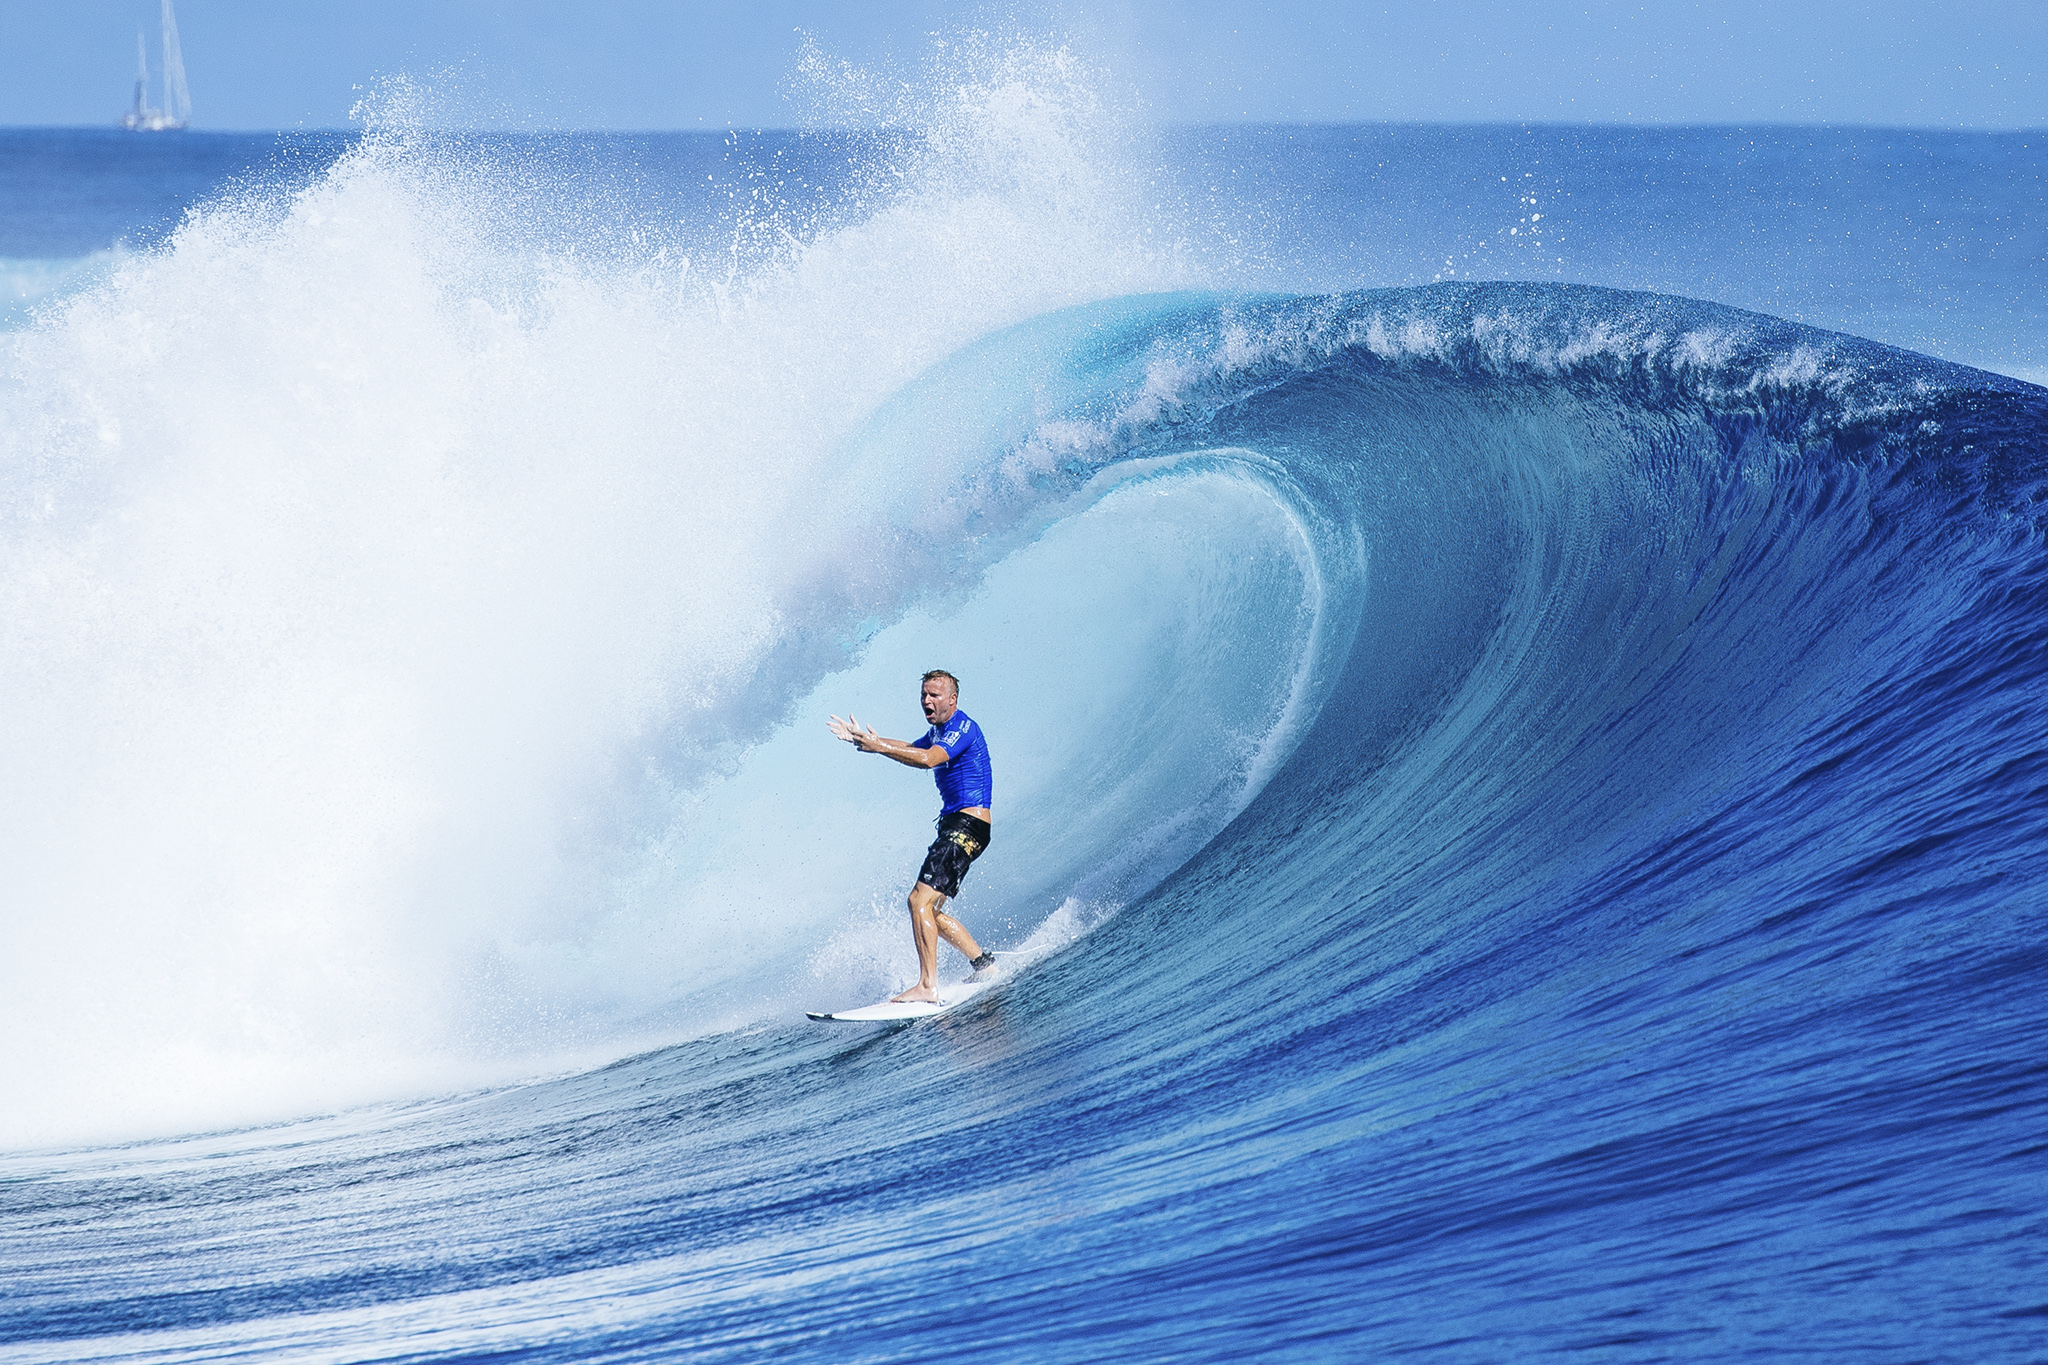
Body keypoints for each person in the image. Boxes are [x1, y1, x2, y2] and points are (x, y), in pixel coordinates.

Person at [828, 669, 997, 1004]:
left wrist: (878, 747)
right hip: (957, 827)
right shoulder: (939, 732)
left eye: (935, 695)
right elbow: (910, 747)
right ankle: (984, 964)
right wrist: (868, 741)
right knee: (929, 911)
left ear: (953, 699)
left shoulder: (962, 727)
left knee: (917, 901)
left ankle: (927, 986)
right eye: (923, 694)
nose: (927, 701)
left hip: (967, 825)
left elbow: (928, 759)